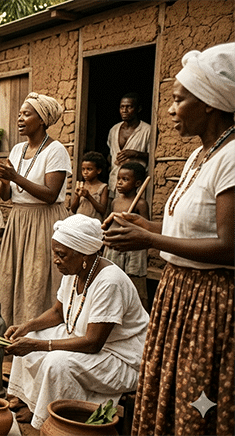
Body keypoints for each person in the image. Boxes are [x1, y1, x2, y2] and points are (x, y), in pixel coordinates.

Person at [104, 42, 235, 436]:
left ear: (209, 102)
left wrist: (148, 241)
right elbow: (187, 229)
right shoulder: (201, 155)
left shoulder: (231, 158)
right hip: (180, 294)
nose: (171, 109)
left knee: (196, 401)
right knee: (170, 389)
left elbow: (230, 246)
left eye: (179, 100)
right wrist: (143, 227)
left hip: (210, 301)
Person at [5, 214, 148, 430]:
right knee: (27, 339)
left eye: (61, 255)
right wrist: (27, 327)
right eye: (55, 253)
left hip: (120, 359)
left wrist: (39, 345)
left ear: (83, 254)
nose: (55, 260)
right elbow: (58, 312)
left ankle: (50, 420)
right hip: (82, 338)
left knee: (57, 363)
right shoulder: (74, 269)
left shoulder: (110, 283)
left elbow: (93, 342)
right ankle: (29, 401)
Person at [0, 92, 72, 326]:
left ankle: (37, 334)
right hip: (19, 219)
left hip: (44, 221)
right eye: (19, 114)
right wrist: (5, 181)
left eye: (26, 114)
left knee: (37, 279)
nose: (19, 118)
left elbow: (50, 195)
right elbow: (6, 195)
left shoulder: (55, 151)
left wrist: (14, 176)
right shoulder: (16, 150)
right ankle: (11, 332)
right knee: (12, 276)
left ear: (42, 120)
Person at [102, 162, 149, 311]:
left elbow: (146, 228)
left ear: (138, 183)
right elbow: (110, 224)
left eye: (125, 179)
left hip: (134, 250)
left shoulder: (141, 204)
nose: (120, 183)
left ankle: (141, 315)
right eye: (118, 179)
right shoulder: (115, 202)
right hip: (115, 247)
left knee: (135, 284)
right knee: (113, 279)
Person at [107, 92, 150, 199]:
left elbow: (154, 157)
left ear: (138, 109)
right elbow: (110, 154)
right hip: (114, 183)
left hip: (136, 188)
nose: (124, 111)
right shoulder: (114, 130)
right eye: (122, 107)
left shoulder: (147, 130)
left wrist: (136, 154)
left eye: (129, 107)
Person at [69, 151, 109, 221]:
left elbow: (102, 210)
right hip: (79, 223)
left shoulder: (103, 187)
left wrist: (89, 196)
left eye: (89, 169)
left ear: (98, 171)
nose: (85, 172)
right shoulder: (81, 185)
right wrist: (77, 196)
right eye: (83, 169)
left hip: (93, 224)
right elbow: (73, 210)